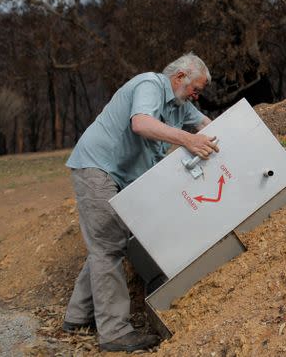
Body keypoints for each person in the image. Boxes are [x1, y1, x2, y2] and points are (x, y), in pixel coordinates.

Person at [62, 53, 219, 352]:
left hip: (122, 177)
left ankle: (78, 316)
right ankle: (114, 333)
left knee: (105, 243)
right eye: (195, 89)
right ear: (179, 77)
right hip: (99, 167)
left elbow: (206, 126)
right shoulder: (149, 84)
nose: (197, 97)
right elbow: (141, 123)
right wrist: (186, 140)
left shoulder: (179, 106)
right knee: (108, 248)